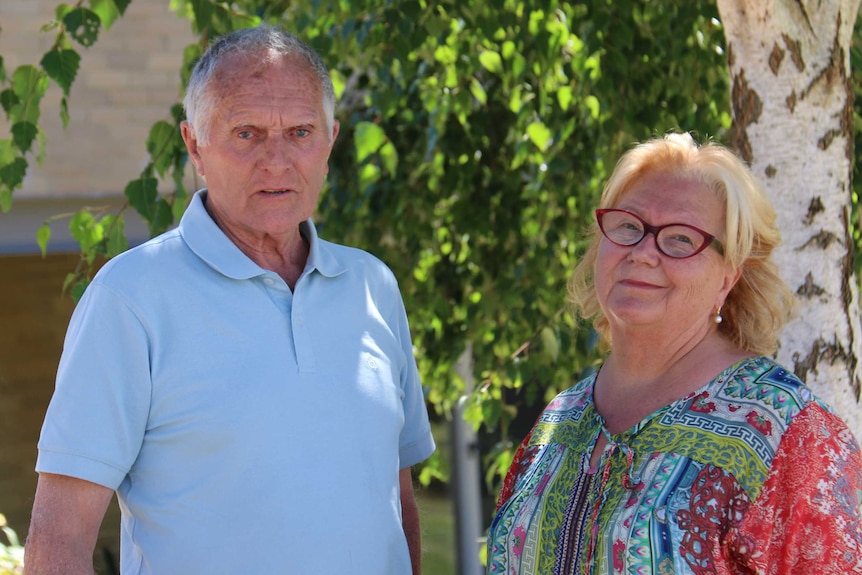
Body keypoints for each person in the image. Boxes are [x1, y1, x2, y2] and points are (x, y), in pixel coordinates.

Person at [24, 25, 435, 575]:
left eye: (300, 132)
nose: (276, 160)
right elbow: (58, 543)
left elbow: (396, 507)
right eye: (246, 133)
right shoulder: (130, 299)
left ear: (331, 142)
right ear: (195, 145)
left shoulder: (373, 287)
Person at [485, 132, 862, 574]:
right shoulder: (560, 421)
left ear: (729, 276)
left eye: (681, 238)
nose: (642, 252)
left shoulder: (787, 433)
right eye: (628, 226)